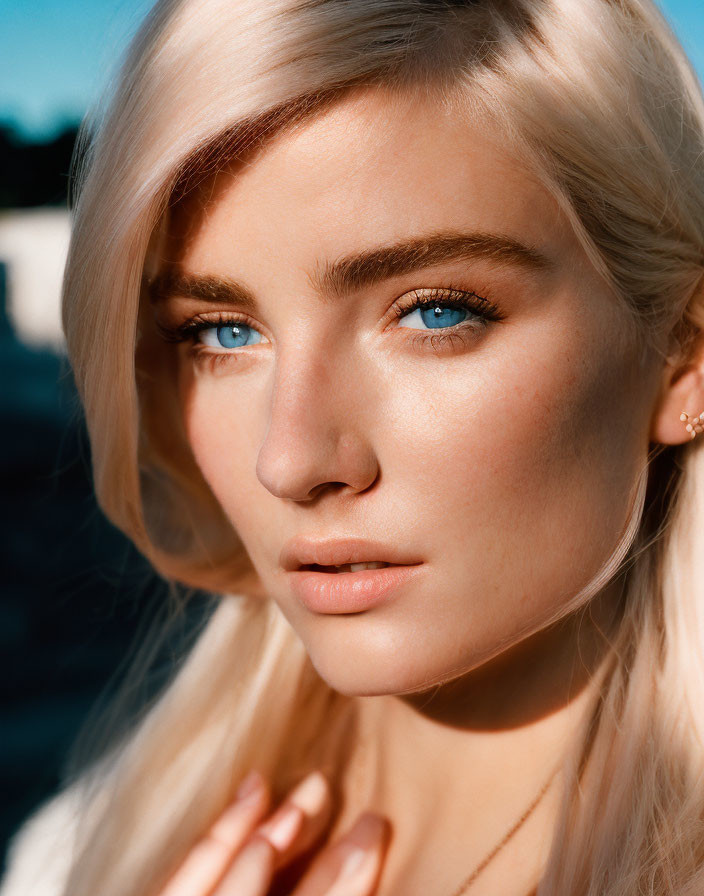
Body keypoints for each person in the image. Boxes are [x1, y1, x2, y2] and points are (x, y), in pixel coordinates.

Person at [3, 0, 704, 893]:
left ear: (685, 355)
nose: (289, 462)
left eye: (435, 312)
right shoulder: (79, 856)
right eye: (221, 333)